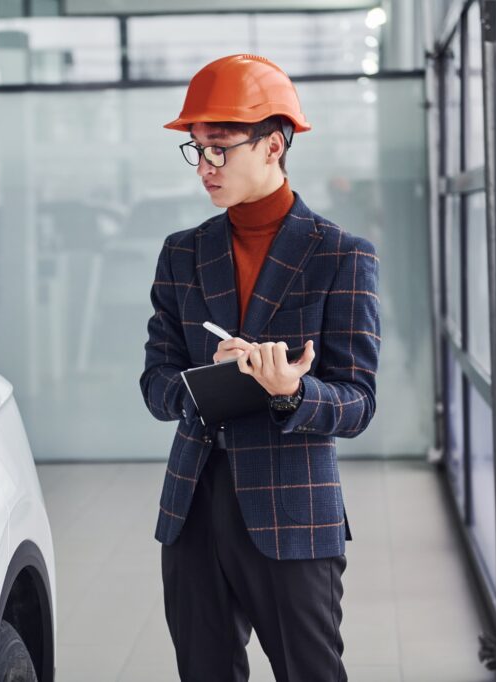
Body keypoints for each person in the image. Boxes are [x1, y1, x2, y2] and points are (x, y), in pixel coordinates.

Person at [139, 54, 381, 682]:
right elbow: (156, 382)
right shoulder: (182, 253)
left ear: (274, 144)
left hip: (293, 506)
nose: (206, 168)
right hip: (193, 505)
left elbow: (358, 402)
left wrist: (293, 392)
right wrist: (202, 385)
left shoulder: (341, 256)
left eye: (220, 148)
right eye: (196, 151)